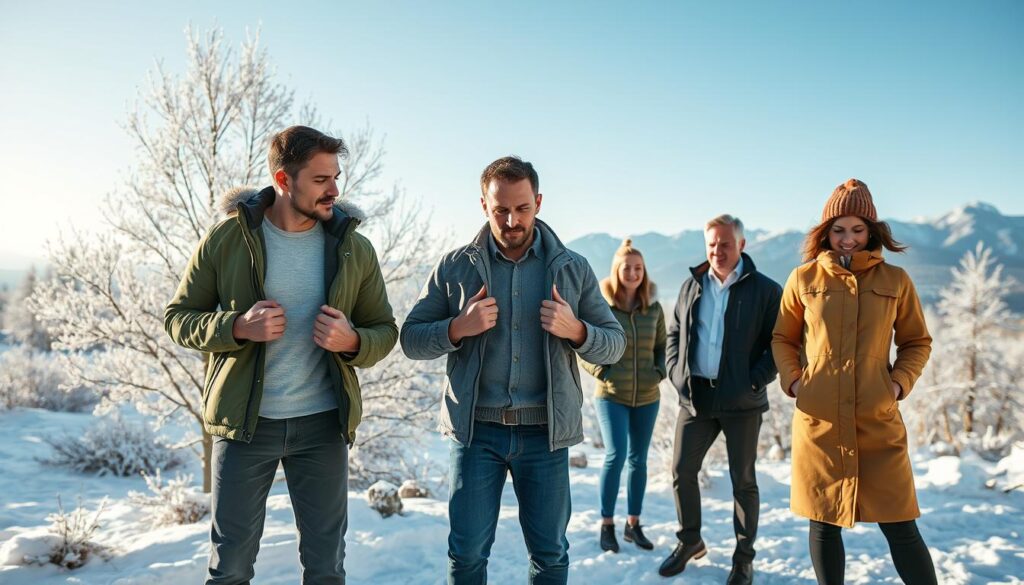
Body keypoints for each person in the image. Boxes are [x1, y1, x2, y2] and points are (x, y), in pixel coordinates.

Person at [164, 125, 398, 585]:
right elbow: (178, 318)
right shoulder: (227, 239)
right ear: (283, 180)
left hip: (323, 425)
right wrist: (236, 326)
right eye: (320, 180)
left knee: (327, 567)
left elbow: (385, 331)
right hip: (245, 423)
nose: (334, 190)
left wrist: (352, 341)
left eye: (335, 177)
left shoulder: (354, 248)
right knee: (229, 567)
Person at [400, 156, 625, 585]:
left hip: (546, 433)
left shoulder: (572, 269)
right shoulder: (454, 267)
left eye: (521, 208)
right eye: (500, 209)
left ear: (538, 202)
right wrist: (457, 327)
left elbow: (614, 345)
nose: (511, 219)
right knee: (465, 556)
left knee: (550, 555)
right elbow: (410, 338)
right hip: (476, 432)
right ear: (483, 206)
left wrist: (576, 330)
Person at [772, 179, 938, 585]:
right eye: (839, 229)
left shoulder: (896, 280)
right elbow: (783, 338)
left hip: (877, 420)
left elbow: (917, 341)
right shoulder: (802, 278)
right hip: (820, 421)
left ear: (872, 230)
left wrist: (897, 385)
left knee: (901, 524)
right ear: (825, 231)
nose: (848, 239)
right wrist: (796, 382)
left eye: (857, 229)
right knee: (823, 523)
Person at [659, 214, 782, 585]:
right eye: (712, 244)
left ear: (741, 245)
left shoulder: (765, 290)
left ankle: (744, 559)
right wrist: (676, 374)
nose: (718, 251)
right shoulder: (691, 286)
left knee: (743, 481)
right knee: (681, 471)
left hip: (742, 402)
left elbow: (780, 344)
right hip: (696, 398)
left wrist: (755, 382)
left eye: (725, 244)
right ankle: (690, 540)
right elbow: (675, 332)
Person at [578, 238, 665, 553]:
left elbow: (661, 348)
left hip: (647, 396)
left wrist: (659, 372)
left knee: (638, 461)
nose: (633, 273)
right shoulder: (602, 306)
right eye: (627, 268)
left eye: (638, 268)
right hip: (611, 395)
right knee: (615, 456)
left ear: (644, 272)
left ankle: (633, 524)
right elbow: (583, 346)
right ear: (616, 271)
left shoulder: (652, 308)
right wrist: (602, 372)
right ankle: (607, 525)